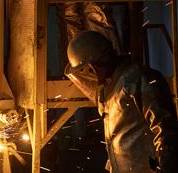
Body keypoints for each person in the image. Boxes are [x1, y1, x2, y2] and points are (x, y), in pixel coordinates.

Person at [65, 30, 178, 173]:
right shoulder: (106, 92)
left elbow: (167, 134)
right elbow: (117, 142)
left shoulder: (140, 79)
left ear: (93, 67)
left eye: (85, 71)